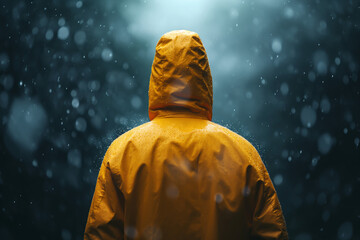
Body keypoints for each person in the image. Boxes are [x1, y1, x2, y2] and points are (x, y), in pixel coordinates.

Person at [84, 30, 288, 240]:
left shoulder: (123, 152)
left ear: (157, 77)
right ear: (204, 78)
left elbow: (101, 235)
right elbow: (272, 233)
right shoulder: (244, 155)